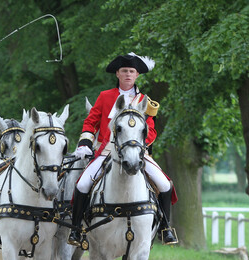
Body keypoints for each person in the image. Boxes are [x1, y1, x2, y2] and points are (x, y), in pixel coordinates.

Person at [68, 52, 178, 246]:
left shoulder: (145, 101)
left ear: (137, 75)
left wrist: (139, 144)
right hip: (107, 150)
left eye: (132, 71)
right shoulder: (105, 97)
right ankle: (77, 229)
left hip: (137, 151)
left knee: (165, 184)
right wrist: (85, 142)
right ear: (117, 73)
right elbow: (90, 122)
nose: (128, 74)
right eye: (124, 71)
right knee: (82, 185)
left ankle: (166, 228)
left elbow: (151, 129)